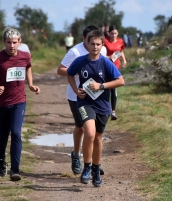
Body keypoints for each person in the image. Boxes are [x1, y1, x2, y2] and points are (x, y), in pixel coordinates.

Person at [0, 27, 40, 181]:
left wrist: (31, 84)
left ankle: (15, 169)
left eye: (15, 42)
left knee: (16, 132)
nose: (12, 45)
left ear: (19, 42)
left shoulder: (25, 56)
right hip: (1, 102)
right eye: (9, 42)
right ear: (4, 42)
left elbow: (28, 68)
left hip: (19, 100)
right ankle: (0, 158)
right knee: (3, 133)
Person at [67, 30, 125, 187]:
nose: (95, 47)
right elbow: (69, 74)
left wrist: (102, 85)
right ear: (87, 44)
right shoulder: (80, 61)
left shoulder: (106, 63)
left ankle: (95, 169)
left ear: (102, 45)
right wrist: (75, 89)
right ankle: (86, 167)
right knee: (90, 133)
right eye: (92, 44)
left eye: (98, 44)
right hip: (85, 103)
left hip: (103, 104)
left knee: (98, 137)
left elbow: (120, 81)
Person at [57, 25, 107, 175]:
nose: (93, 45)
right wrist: (79, 69)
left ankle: (94, 163)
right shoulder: (75, 52)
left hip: (97, 97)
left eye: (97, 42)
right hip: (77, 95)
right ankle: (77, 155)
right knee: (81, 127)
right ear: (84, 39)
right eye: (89, 42)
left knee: (95, 132)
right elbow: (60, 69)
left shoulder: (101, 49)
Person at [104, 25, 127, 120]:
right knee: (105, 89)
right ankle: (105, 110)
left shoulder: (120, 41)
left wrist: (124, 60)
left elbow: (120, 51)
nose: (113, 35)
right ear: (109, 33)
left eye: (115, 33)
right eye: (112, 33)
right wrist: (109, 57)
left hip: (115, 67)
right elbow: (101, 53)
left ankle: (113, 112)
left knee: (114, 89)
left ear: (117, 33)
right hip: (105, 67)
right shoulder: (105, 41)